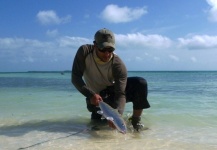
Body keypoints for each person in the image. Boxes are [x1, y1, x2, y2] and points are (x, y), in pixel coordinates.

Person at [71, 28, 150, 131]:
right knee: (96, 128)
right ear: (95, 45)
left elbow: (120, 93)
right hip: (94, 98)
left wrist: (117, 116)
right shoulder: (85, 52)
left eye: (110, 50)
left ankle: (135, 120)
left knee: (140, 83)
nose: (107, 54)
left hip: (112, 94)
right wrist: (91, 94)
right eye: (103, 50)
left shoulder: (118, 65)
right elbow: (75, 77)